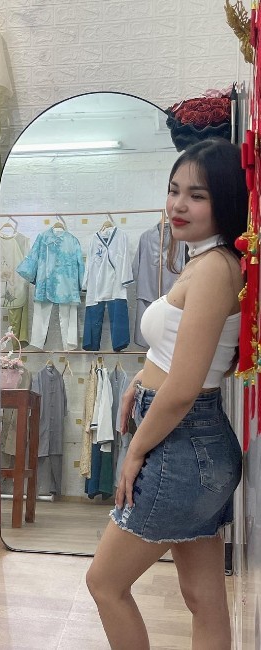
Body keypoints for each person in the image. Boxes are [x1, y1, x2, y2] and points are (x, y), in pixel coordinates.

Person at [86, 138, 247, 650]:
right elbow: (180, 354)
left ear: (225, 200)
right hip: (196, 441)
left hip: (181, 442)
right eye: (174, 190)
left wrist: (135, 452)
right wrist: (140, 380)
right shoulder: (208, 261)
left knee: (104, 584)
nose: (177, 205)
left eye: (196, 195)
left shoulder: (216, 268)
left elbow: (182, 388)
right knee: (203, 597)